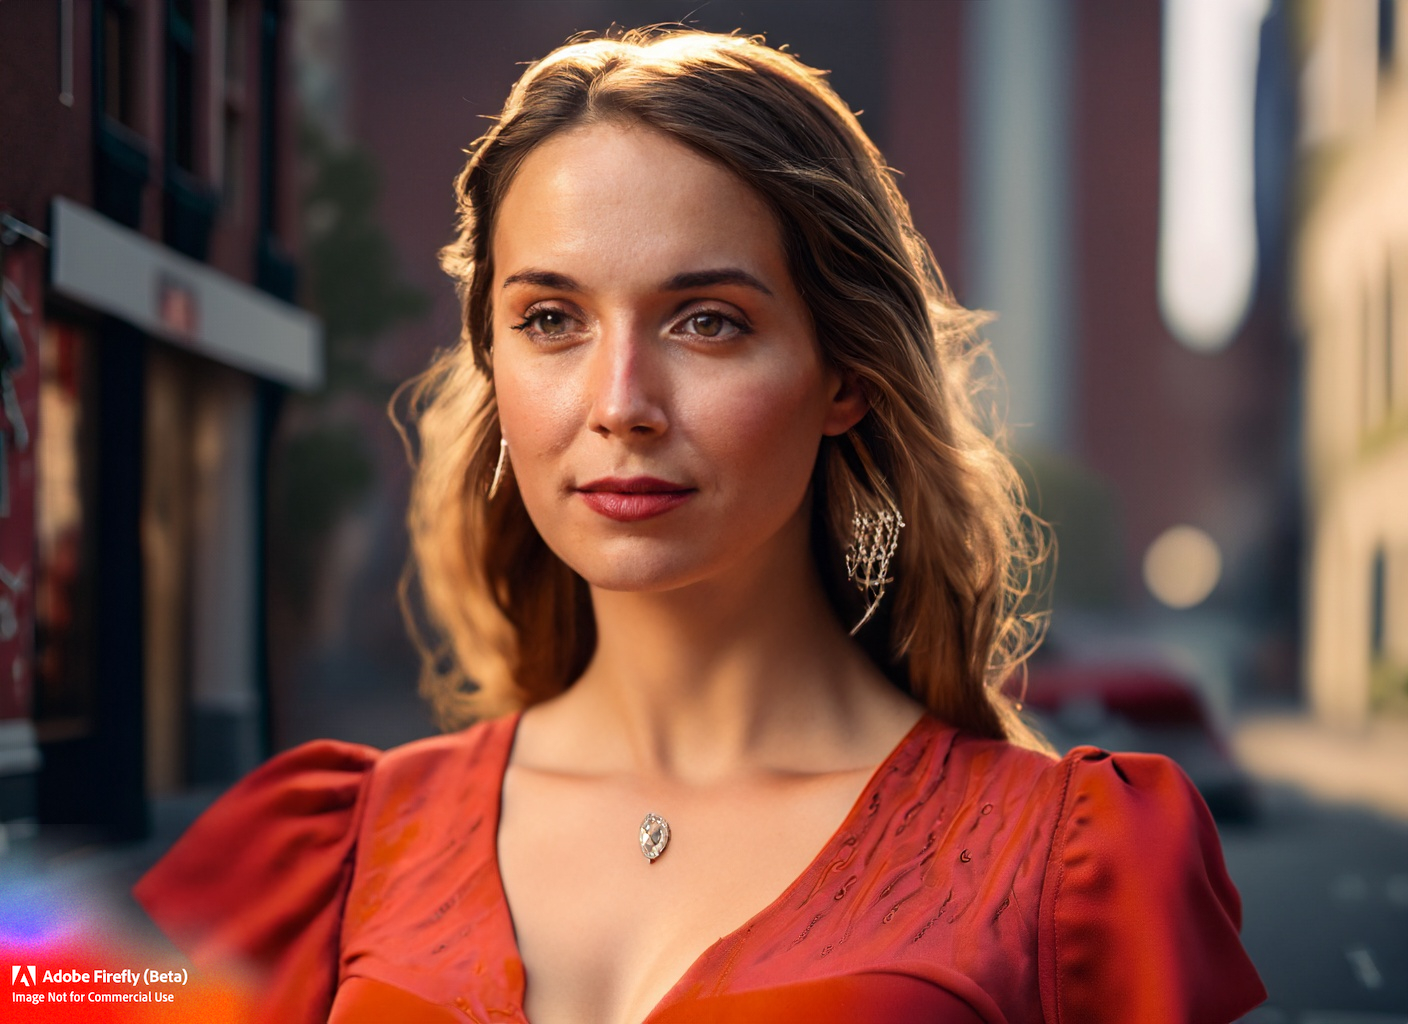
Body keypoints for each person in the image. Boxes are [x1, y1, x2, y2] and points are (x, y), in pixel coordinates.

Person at [134, 27, 1266, 1024]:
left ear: (844, 375)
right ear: (493, 359)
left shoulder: (1076, 867)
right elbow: (51, 986)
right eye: (550, 319)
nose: (620, 401)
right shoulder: (329, 846)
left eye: (708, 321)